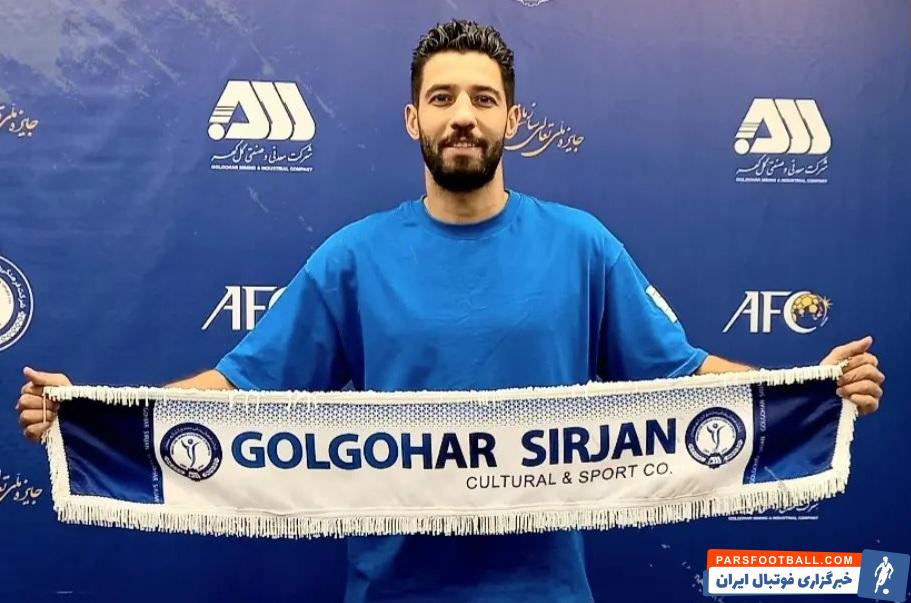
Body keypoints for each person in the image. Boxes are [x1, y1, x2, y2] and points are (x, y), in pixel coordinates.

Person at [16, 19, 885, 603]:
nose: (462, 117)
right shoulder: (354, 256)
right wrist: (88, 415)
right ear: (412, 120)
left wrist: (812, 389)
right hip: (393, 588)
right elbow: (239, 388)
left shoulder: (580, 245)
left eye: (480, 98)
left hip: (543, 590)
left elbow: (684, 376)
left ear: (511, 117)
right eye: (441, 99)